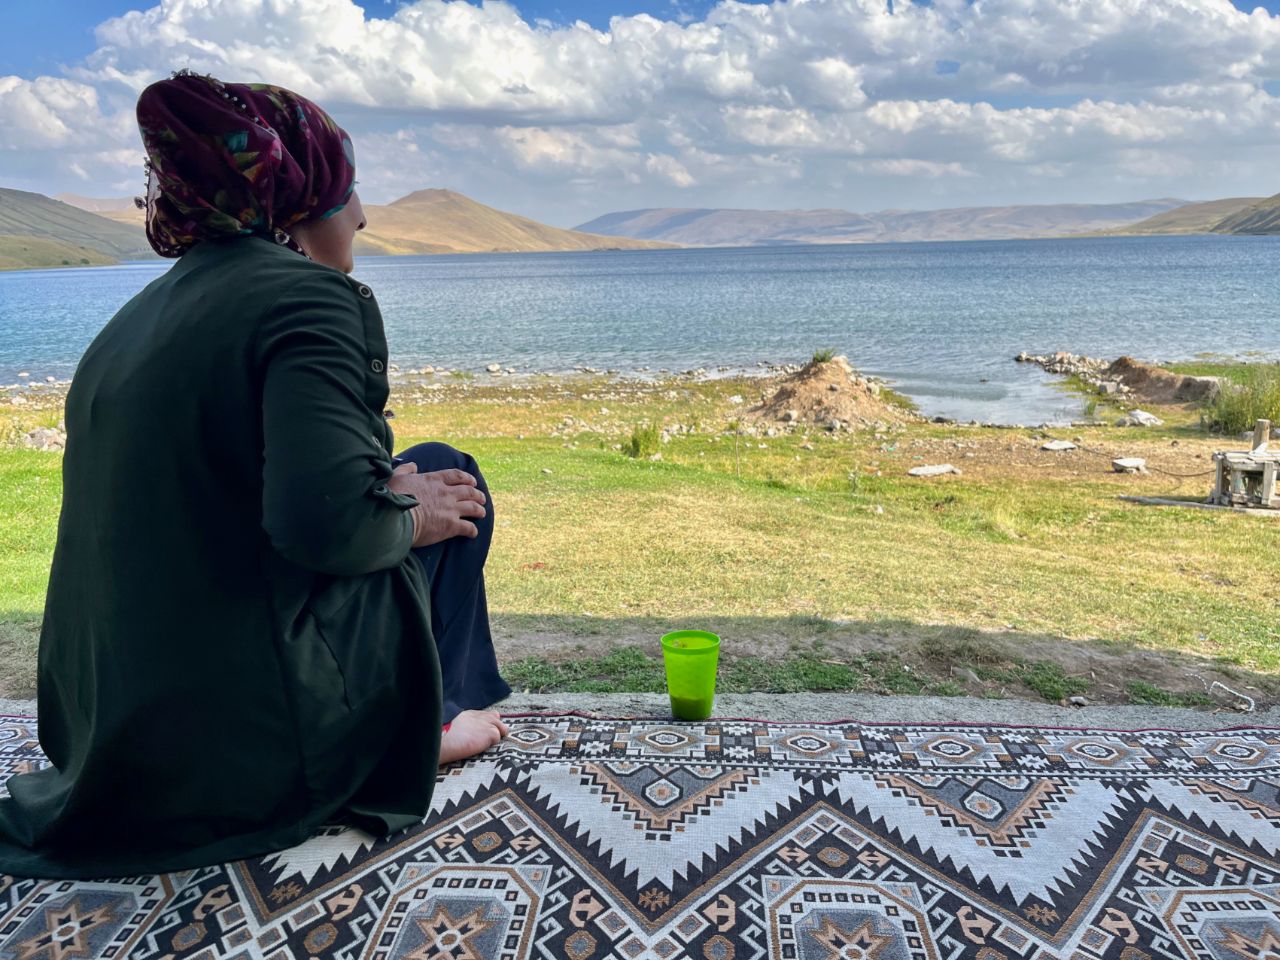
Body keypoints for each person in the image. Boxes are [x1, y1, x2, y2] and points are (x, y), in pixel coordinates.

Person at [0, 73, 510, 879]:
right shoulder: (311, 299)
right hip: (234, 750)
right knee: (448, 475)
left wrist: (384, 490)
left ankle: (418, 712)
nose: (363, 215)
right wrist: (409, 514)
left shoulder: (136, 318)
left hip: (107, 741)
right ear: (298, 202)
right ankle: (424, 731)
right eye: (346, 191)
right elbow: (326, 530)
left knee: (412, 478)